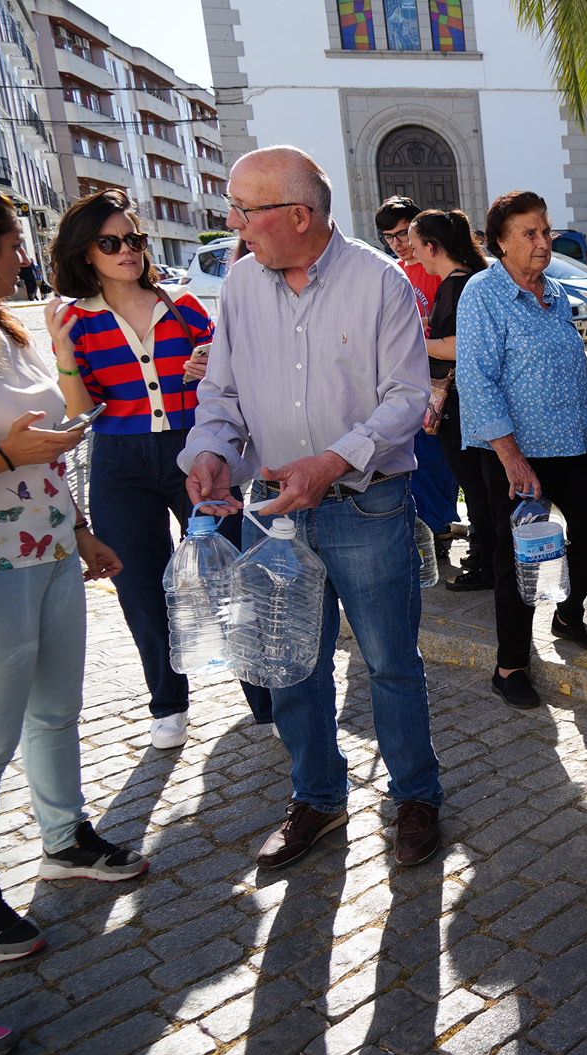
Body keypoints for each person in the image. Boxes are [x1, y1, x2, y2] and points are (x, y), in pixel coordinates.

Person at [181, 145, 443, 870]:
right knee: (290, 663)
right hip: (272, 513)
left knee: (390, 663)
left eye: (244, 210)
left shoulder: (380, 281)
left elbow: (406, 398)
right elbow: (222, 393)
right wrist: (210, 450)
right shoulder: (240, 284)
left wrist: (332, 462)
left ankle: (415, 796)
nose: (234, 223)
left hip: (366, 505)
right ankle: (318, 798)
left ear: (298, 215)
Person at [45, 188, 271, 750]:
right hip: (119, 463)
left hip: (196, 453)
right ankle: (168, 704)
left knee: (231, 575)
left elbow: (228, 376)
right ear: (85, 251)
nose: (127, 250)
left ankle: (266, 702)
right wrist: (65, 356)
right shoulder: (76, 321)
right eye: (110, 243)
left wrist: (207, 367)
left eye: (135, 239)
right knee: (140, 589)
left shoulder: (184, 306)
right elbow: (80, 412)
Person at [0, 188, 148, 988]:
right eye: (10, 244)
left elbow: (53, 442)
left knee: (56, 708)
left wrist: (80, 528)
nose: (22, 257)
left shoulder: (16, 331)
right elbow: (19, 447)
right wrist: (3, 456)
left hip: (48, 544)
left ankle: (64, 840)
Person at [456, 189, 587, 712]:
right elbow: (477, 379)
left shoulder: (556, 292)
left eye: (546, 230)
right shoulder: (483, 293)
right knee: (515, 558)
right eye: (530, 233)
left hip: (575, 442)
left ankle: (568, 615)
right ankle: (510, 667)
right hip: (516, 453)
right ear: (500, 242)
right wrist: (510, 456)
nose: (544, 241)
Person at [407, 208, 495, 591]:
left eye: (414, 246)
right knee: (479, 486)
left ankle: (485, 563)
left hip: (459, 404)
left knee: (476, 488)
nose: (412, 254)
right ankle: (486, 558)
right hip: (468, 402)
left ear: (432, 247)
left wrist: (413, 339)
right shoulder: (466, 280)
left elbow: (457, 346)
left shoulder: (457, 286)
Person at [376, 194, 458, 569]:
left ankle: (441, 529)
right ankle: (427, 530)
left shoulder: (439, 269)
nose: (398, 243)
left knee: (442, 461)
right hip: (403, 380)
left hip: (445, 380)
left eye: (402, 233)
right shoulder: (389, 273)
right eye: (388, 237)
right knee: (416, 462)